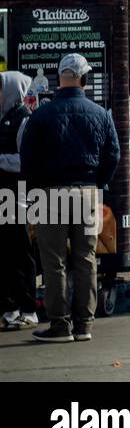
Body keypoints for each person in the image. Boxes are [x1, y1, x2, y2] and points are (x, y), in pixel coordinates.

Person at [19, 54, 119, 343]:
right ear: (84, 79)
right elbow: (113, 155)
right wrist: (97, 183)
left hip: (50, 193)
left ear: (57, 79)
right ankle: (84, 324)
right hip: (87, 192)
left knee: (54, 261)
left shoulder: (41, 116)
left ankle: (60, 326)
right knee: (86, 258)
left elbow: (28, 159)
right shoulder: (100, 114)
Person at [0, 72, 38, 330]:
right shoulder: (4, 117)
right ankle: (10, 306)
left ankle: (28, 308)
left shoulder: (23, 120)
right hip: (4, 192)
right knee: (5, 250)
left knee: (19, 248)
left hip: (16, 194)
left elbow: (25, 160)